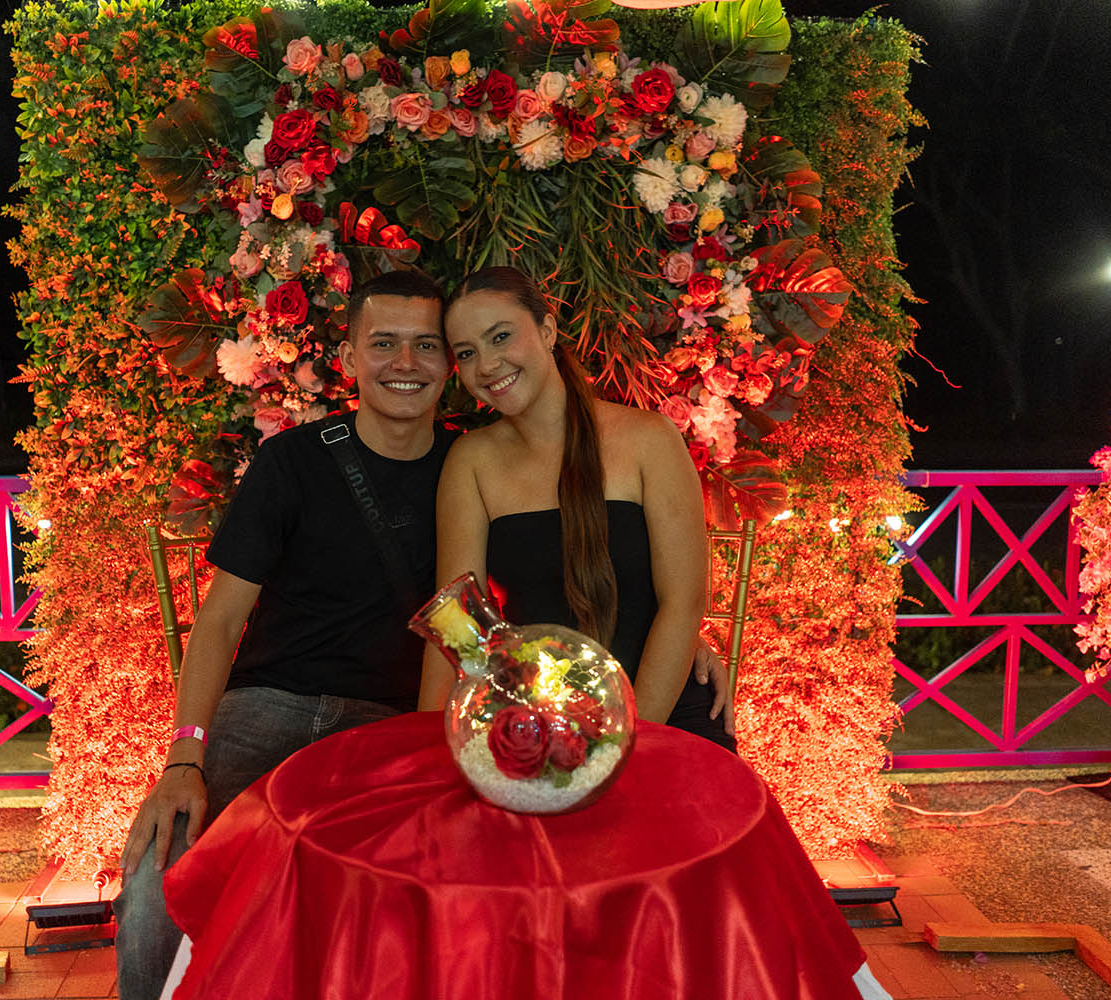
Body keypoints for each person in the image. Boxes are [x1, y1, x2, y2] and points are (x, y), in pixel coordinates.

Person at [114, 270, 457, 1000]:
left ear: (450, 361)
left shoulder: (472, 467)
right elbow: (220, 620)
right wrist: (184, 759)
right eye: (384, 343)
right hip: (265, 709)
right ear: (350, 358)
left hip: (389, 727)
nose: (406, 363)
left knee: (391, 897)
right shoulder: (293, 461)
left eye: (426, 344)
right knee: (155, 876)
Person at [417, 266, 734, 749]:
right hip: (541, 730)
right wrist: (429, 746)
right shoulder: (471, 461)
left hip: (663, 717)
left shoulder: (649, 439)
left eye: (501, 337)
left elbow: (683, 604)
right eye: (466, 353)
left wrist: (622, 746)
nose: (487, 365)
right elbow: (458, 621)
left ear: (547, 330)